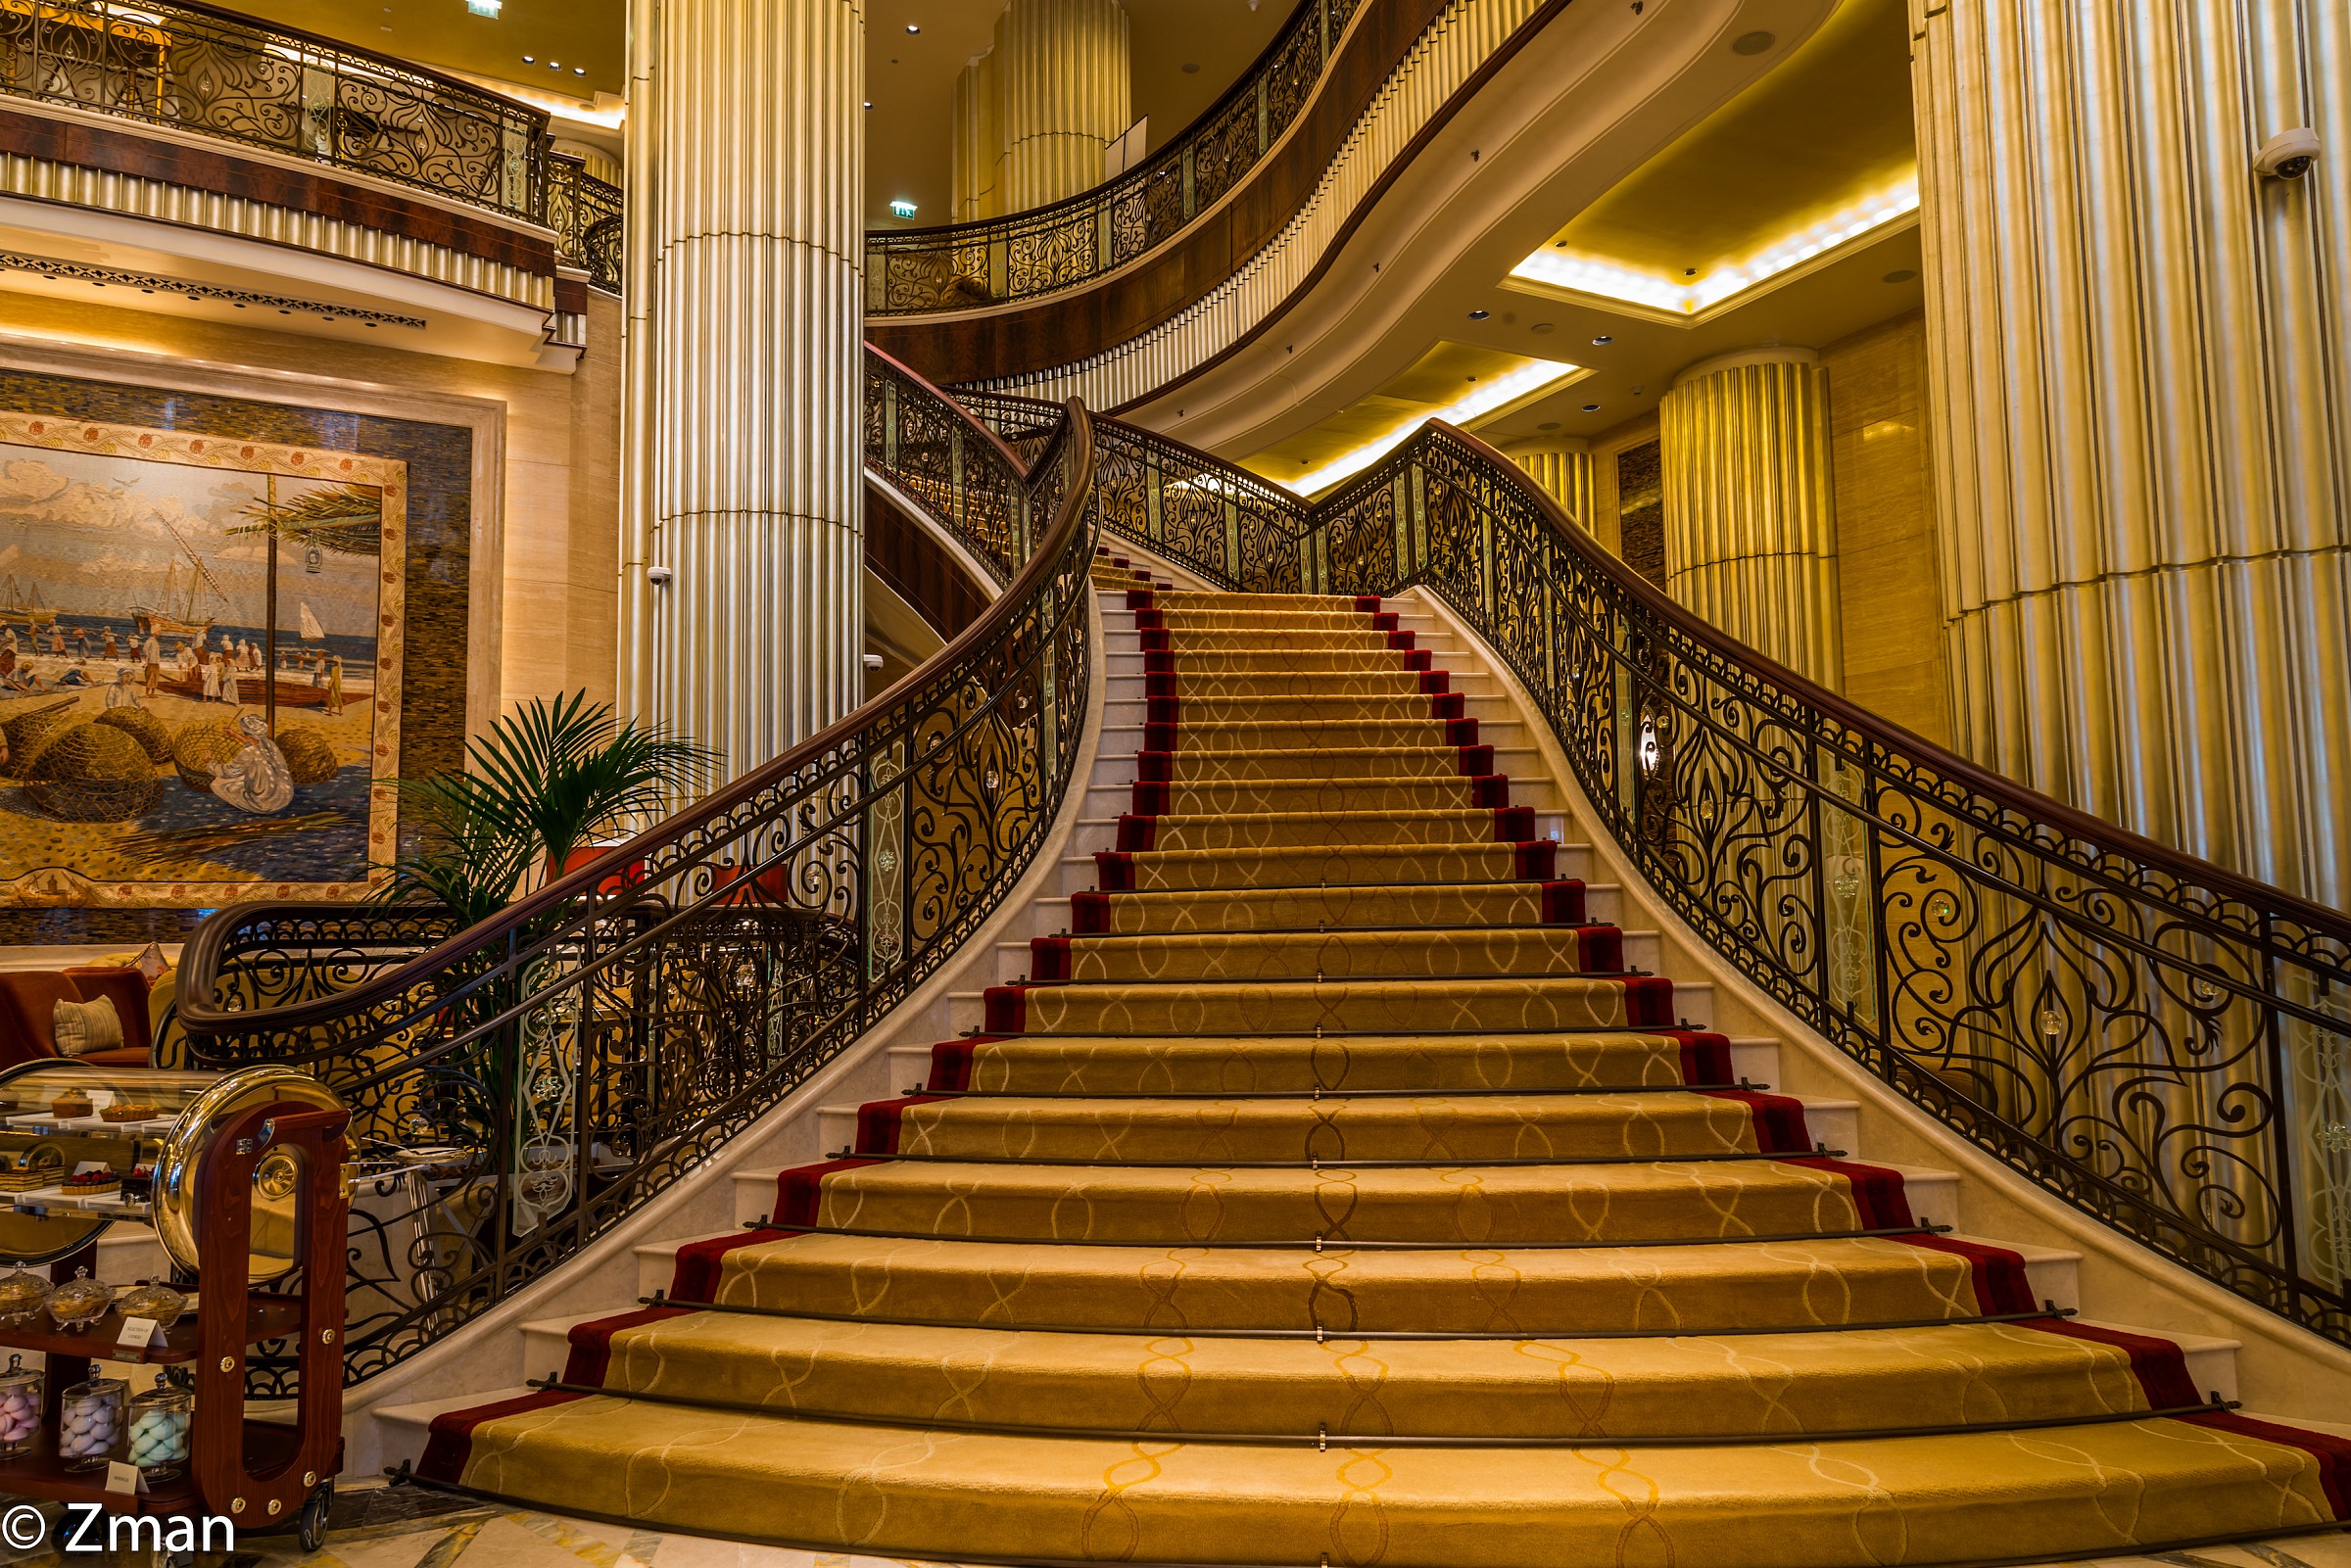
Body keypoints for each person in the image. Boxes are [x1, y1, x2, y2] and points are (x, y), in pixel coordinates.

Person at [209, 711, 294, 814]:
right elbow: (253, 743)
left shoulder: (248, 753)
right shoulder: (269, 743)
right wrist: (235, 734)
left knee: (217, 783)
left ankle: (254, 804)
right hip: (284, 797)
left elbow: (227, 771)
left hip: (267, 804)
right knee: (249, 774)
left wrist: (210, 762)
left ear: (249, 735)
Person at [140, 631, 162, 697]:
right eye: (158, 632)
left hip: (156, 662)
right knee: (150, 678)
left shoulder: (155, 641)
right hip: (151, 662)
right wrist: (146, 661)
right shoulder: (149, 641)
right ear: (154, 632)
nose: (160, 633)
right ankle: (147, 694)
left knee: (155, 678)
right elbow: (145, 650)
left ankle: (152, 693)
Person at [325, 653, 345, 717]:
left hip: (334, 683)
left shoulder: (334, 668)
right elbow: (339, 677)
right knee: (338, 697)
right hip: (338, 683)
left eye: (334, 661)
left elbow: (333, 677)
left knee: (332, 697)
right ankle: (340, 712)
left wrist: (329, 684)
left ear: (335, 662)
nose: (333, 662)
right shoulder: (340, 668)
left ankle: (330, 713)